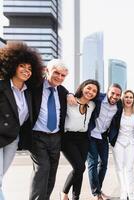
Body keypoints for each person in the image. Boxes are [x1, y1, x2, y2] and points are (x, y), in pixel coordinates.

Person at [0, 41, 43, 200]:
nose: (26, 70)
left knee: (1, 177)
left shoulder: (29, 92)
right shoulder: (2, 86)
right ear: (12, 65)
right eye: (22, 66)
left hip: (12, 139)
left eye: (30, 68)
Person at [29, 59, 69, 200]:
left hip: (56, 137)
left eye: (63, 75)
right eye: (56, 73)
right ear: (47, 70)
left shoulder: (63, 92)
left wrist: (70, 95)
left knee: (52, 172)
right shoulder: (35, 86)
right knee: (42, 169)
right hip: (37, 136)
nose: (59, 77)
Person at [60, 79, 100, 200]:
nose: (91, 92)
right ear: (82, 87)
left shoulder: (92, 105)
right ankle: (64, 192)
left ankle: (75, 197)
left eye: (94, 91)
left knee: (79, 169)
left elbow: (109, 98)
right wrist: (70, 94)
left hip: (83, 139)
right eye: (88, 88)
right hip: (68, 138)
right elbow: (61, 91)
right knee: (79, 168)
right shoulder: (69, 100)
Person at [87, 83, 122, 200]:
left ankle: (98, 189)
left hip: (103, 137)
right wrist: (70, 95)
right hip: (91, 135)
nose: (115, 96)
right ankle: (96, 193)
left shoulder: (119, 105)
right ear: (107, 92)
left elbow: (132, 104)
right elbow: (83, 94)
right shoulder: (98, 98)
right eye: (112, 93)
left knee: (104, 164)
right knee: (93, 163)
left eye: (118, 95)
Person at [110, 90, 134, 200]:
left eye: (131, 97)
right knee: (119, 168)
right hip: (118, 142)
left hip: (132, 143)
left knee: (129, 168)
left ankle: (131, 192)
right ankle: (123, 192)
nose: (128, 99)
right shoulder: (118, 111)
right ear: (123, 99)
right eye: (126, 97)